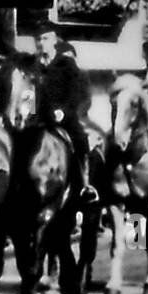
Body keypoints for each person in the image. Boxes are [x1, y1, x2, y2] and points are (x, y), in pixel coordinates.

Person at [34, 18, 97, 203]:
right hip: (37, 119)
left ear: (54, 40)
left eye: (45, 38)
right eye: (38, 39)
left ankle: (86, 184)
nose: (41, 43)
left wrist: (64, 111)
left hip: (63, 118)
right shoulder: (33, 66)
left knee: (80, 138)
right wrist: (27, 113)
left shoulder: (66, 64)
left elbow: (75, 93)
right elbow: (28, 92)